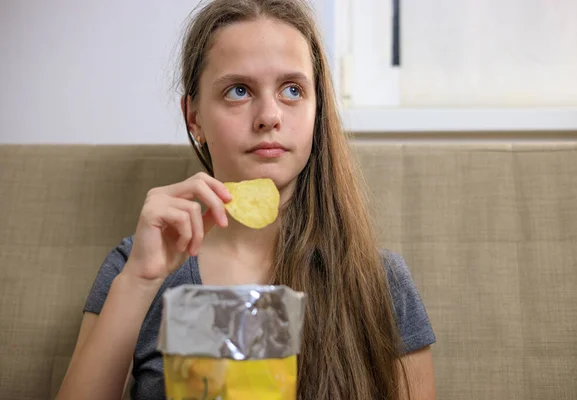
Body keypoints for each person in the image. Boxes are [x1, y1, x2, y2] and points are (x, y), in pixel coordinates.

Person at [56, 0, 436, 399]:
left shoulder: (379, 280)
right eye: (239, 90)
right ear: (194, 117)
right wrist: (139, 282)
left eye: (292, 90)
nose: (269, 115)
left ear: (317, 110)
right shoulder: (134, 268)